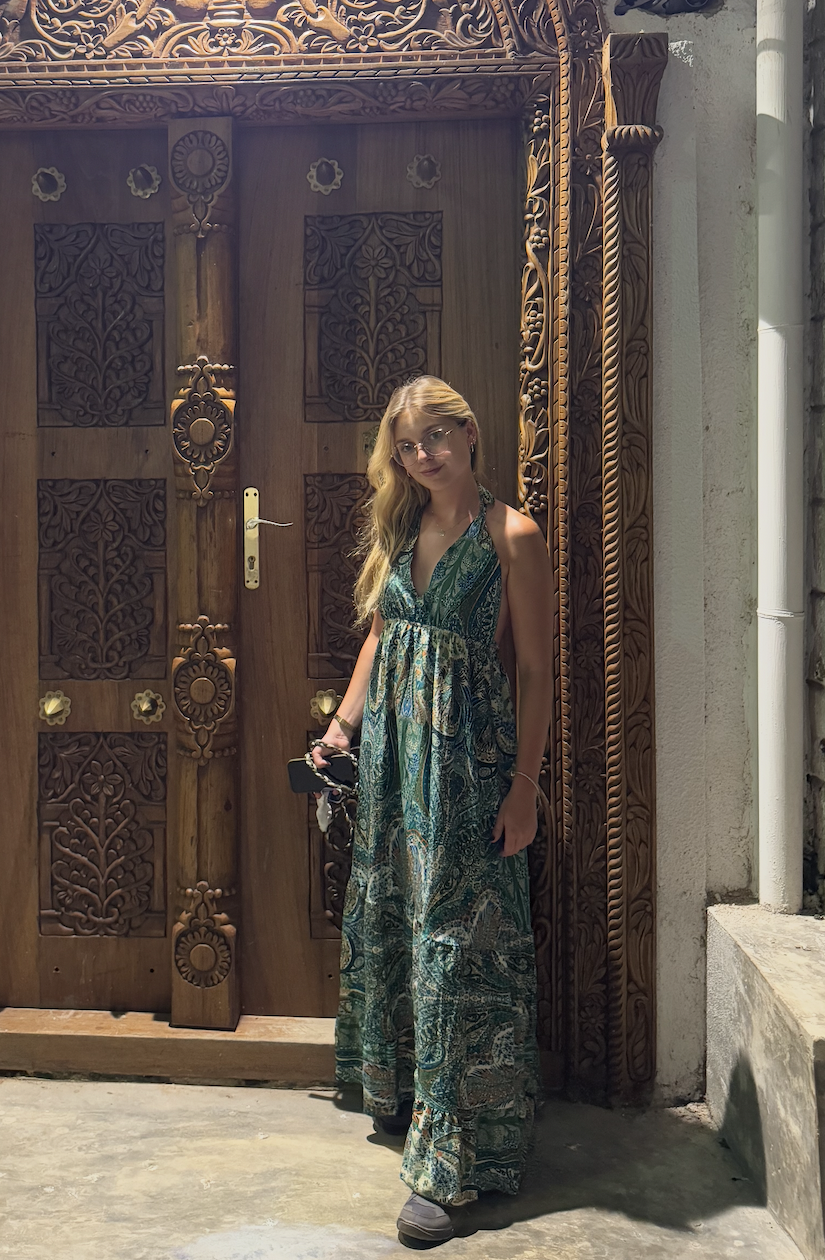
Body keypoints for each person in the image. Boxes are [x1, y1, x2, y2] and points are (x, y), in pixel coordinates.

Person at [311, 375, 553, 1246]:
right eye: (408, 447)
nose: (423, 457)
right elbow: (383, 633)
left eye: (435, 439)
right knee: (392, 923)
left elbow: (533, 672)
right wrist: (340, 730)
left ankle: (454, 1166)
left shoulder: (510, 534)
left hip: (465, 769)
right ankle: (401, 1093)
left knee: (456, 951)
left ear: (469, 432)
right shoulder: (402, 526)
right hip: (390, 763)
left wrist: (524, 785)